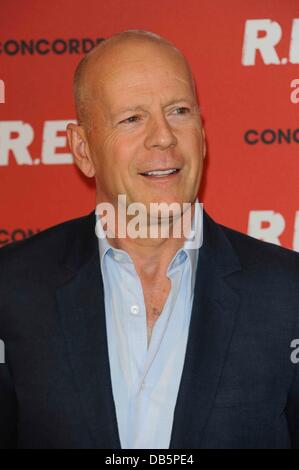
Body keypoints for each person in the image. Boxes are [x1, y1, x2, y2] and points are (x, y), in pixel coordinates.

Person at [0, 30, 298, 449]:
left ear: (202, 130)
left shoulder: (288, 294)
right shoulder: (12, 290)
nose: (163, 137)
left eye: (178, 111)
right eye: (132, 118)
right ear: (82, 150)